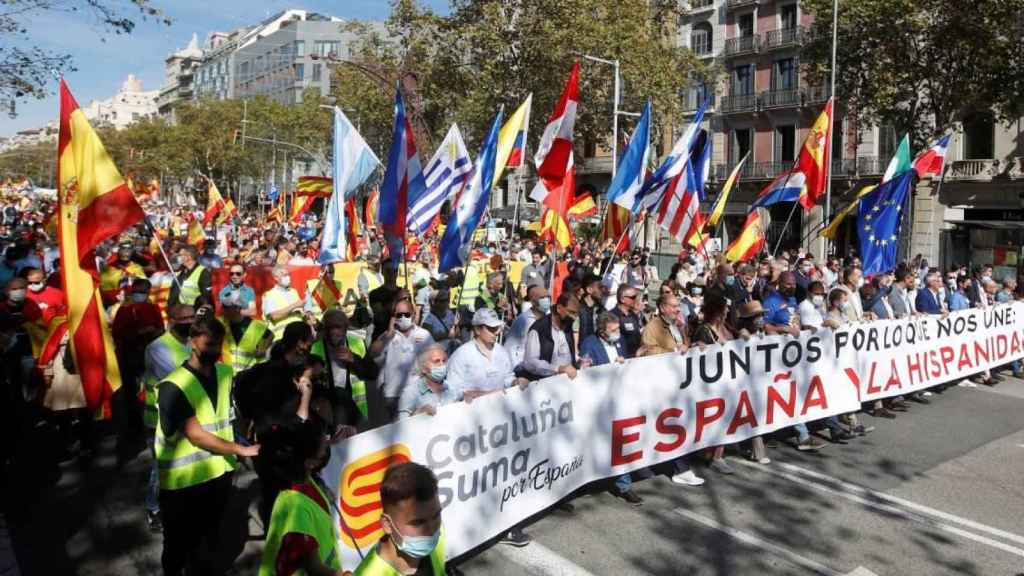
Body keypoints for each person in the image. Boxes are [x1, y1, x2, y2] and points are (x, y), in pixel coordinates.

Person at [155, 316, 259, 576]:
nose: (214, 351)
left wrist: (246, 429)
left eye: (218, 345)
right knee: (178, 546)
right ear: (192, 342)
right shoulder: (173, 386)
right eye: (209, 344)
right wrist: (241, 449)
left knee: (210, 539)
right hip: (183, 484)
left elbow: (228, 412)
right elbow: (196, 435)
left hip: (218, 475)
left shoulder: (225, 372)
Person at [258, 419, 345, 576]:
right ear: (309, 462)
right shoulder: (296, 508)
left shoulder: (305, 478)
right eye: (323, 447)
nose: (327, 447)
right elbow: (313, 568)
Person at [352, 462, 445, 575]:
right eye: (418, 523)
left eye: (436, 516)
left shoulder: (439, 533)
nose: (431, 531)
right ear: (387, 524)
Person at [309, 309, 379, 429]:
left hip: (356, 411)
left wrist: (354, 359)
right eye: (329, 327)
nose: (333, 332)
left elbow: (372, 373)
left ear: (346, 328)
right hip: (331, 414)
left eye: (338, 327)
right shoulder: (315, 348)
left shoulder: (357, 343)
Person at [371, 299, 434, 421]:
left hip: (418, 392)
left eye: (407, 314)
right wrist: (388, 335)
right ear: (393, 317)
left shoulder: (424, 334)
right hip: (393, 395)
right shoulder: (387, 335)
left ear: (413, 314)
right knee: (399, 435)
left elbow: (435, 357)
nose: (403, 317)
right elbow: (372, 353)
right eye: (399, 315)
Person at [519, 293, 583, 381]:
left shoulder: (567, 325)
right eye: (571, 312)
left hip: (565, 384)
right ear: (559, 308)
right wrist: (558, 369)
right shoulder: (539, 329)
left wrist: (578, 362)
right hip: (544, 385)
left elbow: (567, 354)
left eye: (576, 314)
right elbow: (530, 363)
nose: (574, 317)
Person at [397, 345, 462, 418]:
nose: (442, 365)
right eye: (436, 361)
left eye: (444, 361)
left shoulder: (452, 388)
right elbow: (401, 424)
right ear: (423, 368)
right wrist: (418, 414)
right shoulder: (411, 393)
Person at [219, 290, 273, 375]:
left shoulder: (257, 326)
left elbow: (270, 335)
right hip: (227, 376)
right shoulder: (221, 323)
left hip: (248, 377)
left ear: (237, 308)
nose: (223, 309)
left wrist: (263, 348)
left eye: (226, 306)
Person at [505, 285, 549, 367]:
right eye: (542, 298)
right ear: (532, 301)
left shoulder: (550, 319)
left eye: (548, 297)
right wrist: (516, 369)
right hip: (524, 367)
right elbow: (510, 347)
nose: (546, 300)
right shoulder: (522, 320)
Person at [264, 266, 304, 340]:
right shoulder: (270, 295)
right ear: (276, 278)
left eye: (288, 275)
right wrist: (294, 306)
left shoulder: (293, 291)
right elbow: (274, 316)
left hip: (299, 335)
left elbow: (299, 312)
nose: (288, 277)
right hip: (282, 337)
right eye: (284, 275)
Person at [609, 285, 644, 358]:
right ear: (622, 299)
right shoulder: (612, 316)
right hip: (622, 359)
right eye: (633, 297)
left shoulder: (633, 315)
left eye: (636, 296)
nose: (636, 300)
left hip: (637, 357)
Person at [762, 272, 802, 337]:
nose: (792, 287)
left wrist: (797, 323)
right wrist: (783, 329)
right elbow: (765, 326)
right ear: (780, 283)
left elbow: (796, 316)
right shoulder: (770, 301)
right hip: (781, 340)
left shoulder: (793, 299)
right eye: (788, 284)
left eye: (794, 284)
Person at [420, 290, 458, 355]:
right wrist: (446, 335)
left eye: (447, 300)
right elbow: (427, 339)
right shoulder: (428, 319)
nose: (446, 303)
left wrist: (456, 326)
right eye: (443, 300)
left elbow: (456, 333)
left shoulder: (450, 313)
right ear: (434, 302)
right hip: (438, 352)